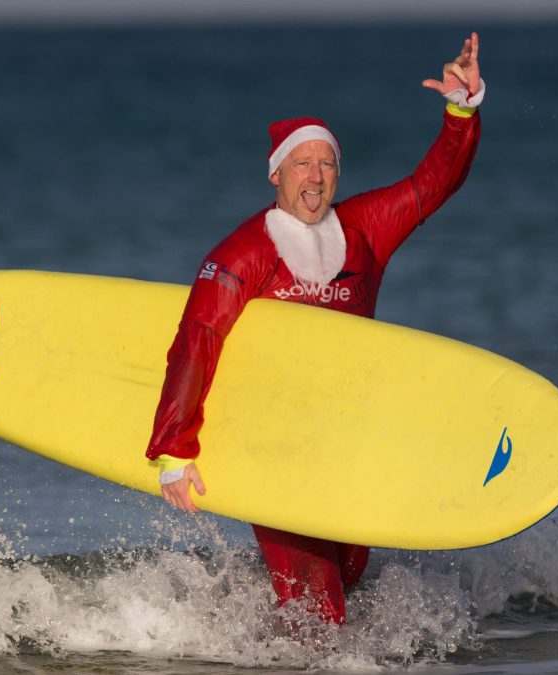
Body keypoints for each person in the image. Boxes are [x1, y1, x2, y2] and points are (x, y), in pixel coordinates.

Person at [146, 33, 484, 625]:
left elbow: (432, 185)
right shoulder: (245, 252)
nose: (317, 175)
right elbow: (198, 336)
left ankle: (252, 640)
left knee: (351, 573)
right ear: (276, 173)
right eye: (303, 163)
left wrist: (461, 112)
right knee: (320, 606)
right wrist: (174, 449)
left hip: (346, 434)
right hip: (271, 438)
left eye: (328, 163)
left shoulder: (364, 229)